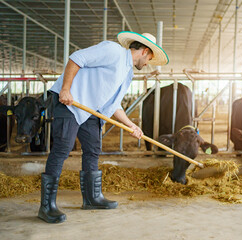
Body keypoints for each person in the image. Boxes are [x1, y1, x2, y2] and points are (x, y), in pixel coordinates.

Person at [38, 32, 169, 223]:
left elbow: (113, 105)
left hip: (91, 110)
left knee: (93, 149)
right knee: (62, 148)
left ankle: (92, 198)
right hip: (70, 102)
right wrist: (65, 89)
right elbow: (77, 58)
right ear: (144, 51)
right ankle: (46, 206)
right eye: (149, 58)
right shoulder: (113, 50)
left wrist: (132, 125)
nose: (148, 62)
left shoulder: (128, 73)